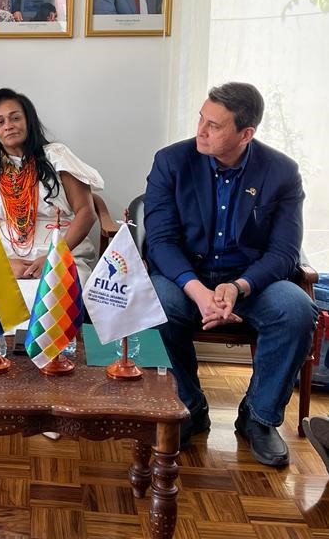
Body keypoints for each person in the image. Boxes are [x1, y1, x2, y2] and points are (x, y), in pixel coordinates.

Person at [145, 82, 318, 466]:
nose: (201, 131)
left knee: (297, 309)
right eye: (201, 119)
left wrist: (238, 287)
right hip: (184, 277)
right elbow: (159, 241)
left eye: (214, 125)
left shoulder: (281, 173)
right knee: (154, 302)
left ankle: (259, 417)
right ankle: (187, 406)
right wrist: (198, 291)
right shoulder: (171, 161)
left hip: (251, 281)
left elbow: (284, 252)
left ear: (246, 134)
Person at [0, 89, 103, 284]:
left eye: (15, 118)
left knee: (53, 295)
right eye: (0, 122)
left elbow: (86, 212)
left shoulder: (57, 156)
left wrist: (53, 257)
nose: (8, 126)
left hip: (57, 250)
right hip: (2, 255)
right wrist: (2, 262)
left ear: (28, 121)